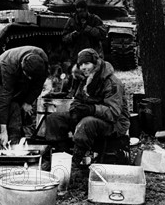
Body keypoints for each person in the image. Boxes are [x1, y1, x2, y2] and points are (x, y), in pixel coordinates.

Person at [44, 48, 130, 176]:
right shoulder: (86, 79)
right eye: (81, 64)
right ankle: (62, 159)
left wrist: (91, 109)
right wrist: (75, 111)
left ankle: (75, 163)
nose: (83, 67)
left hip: (115, 124)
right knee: (54, 119)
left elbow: (113, 113)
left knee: (86, 123)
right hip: (93, 117)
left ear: (95, 63)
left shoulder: (112, 83)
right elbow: (78, 100)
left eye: (87, 63)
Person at [0, 46, 49, 147]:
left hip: (20, 81)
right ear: (22, 68)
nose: (30, 78)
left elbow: (39, 83)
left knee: (15, 108)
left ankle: (15, 140)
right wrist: (3, 131)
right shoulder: (8, 65)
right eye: (28, 76)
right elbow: (3, 97)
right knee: (0, 106)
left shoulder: (42, 59)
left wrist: (28, 101)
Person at [62, 0, 107, 64]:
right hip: (76, 54)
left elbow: (103, 34)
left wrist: (91, 30)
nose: (81, 13)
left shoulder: (94, 19)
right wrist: (72, 35)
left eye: (82, 11)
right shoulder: (72, 21)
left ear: (86, 10)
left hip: (93, 53)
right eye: (79, 11)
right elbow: (64, 38)